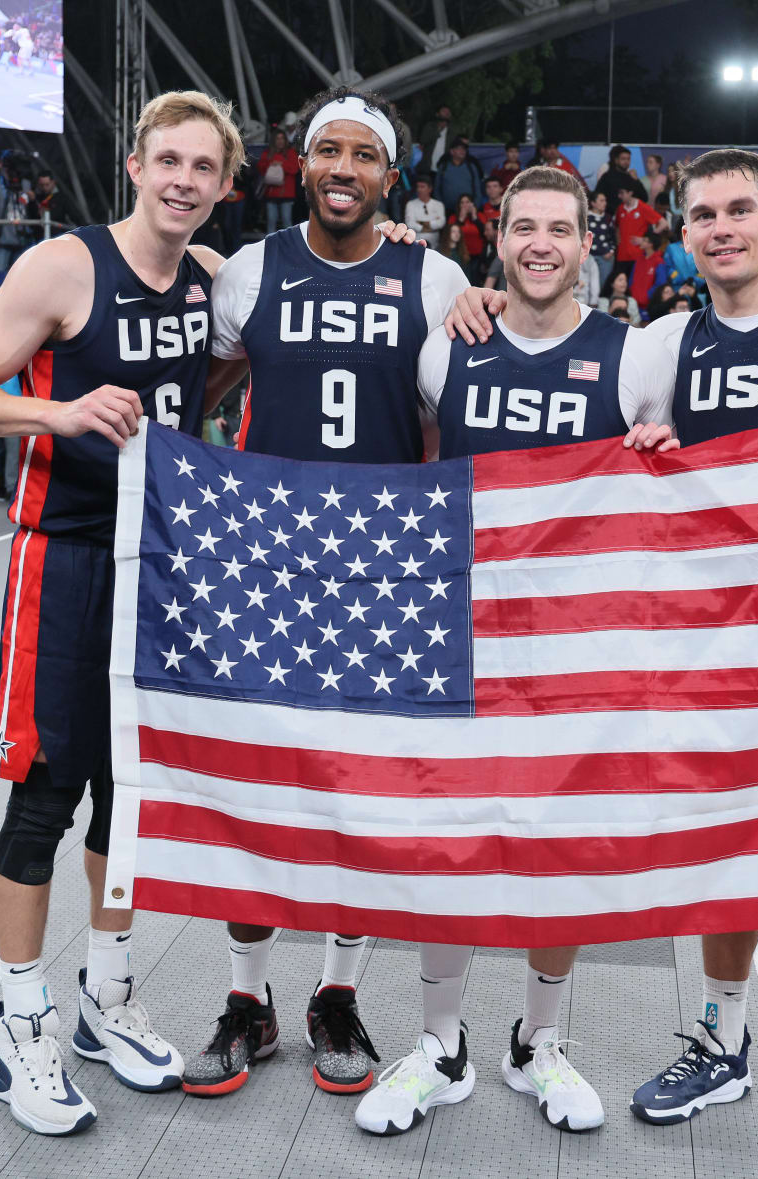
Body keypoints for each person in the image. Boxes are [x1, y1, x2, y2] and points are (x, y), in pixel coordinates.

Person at [440, 148, 758, 1179]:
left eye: (738, 210)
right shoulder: (665, 343)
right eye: (701, 215)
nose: (720, 227)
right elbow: (624, 449)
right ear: (681, 235)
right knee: (732, 846)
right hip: (720, 648)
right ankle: (724, 1042)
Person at [0, 90, 250, 1136]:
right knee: (46, 793)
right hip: (65, 559)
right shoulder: (65, 268)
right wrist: (54, 410)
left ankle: (102, 999)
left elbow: (243, 367)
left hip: (161, 562)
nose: (184, 181)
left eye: (205, 168)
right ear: (135, 164)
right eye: (170, 161)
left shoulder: (210, 281)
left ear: (224, 183)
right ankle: (17, 1022)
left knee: (133, 795)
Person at [354, 165, 678, 1140]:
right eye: (524, 228)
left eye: (560, 230)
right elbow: (401, 468)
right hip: (457, 637)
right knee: (446, 851)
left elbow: (698, 482)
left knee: (559, 856)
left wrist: (663, 459)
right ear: (497, 239)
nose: (541, 244)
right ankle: (440, 1046)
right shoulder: (444, 352)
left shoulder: (635, 360)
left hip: (577, 651)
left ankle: (538, 1042)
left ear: (590, 244)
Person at [202, 85, 470, 1099]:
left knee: (358, 799)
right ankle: (244, 999)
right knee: (255, 791)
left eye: (365, 155)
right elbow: (197, 397)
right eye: (329, 152)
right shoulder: (248, 273)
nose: (345, 168)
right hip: (267, 568)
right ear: (300, 166)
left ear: (391, 178)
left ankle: (337, 993)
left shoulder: (432, 273)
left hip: (381, 577)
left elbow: (457, 419)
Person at [613, 184, 665, 282]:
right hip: (621, 255)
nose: (619, 196)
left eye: (622, 193)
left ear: (630, 193)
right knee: (618, 284)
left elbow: (663, 223)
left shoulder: (643, 207)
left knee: (634, 284)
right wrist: (618, 241)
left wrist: (647, 239)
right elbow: (617, 227)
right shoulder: (620, 208)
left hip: (637, 256)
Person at [434, 137, 484, 211]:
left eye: (464, 149)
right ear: (452, 151)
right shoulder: (443, 167)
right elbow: (436, 189)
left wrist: (475, 206)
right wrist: (440, 206)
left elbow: (477, 189)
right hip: (447, 210)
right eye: (459, 149)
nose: (462, 151)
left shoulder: (471, 167)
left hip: (468, 210)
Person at [587, 190, 617, 292]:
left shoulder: (608, 217)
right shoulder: (585, 217)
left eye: (605, 200)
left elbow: (613, 237)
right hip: (588, 256)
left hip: (606, 257)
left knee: (604, 284)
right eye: (601, 200)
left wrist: (611, 251)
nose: (605, 203)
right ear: (593, 203)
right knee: (588, 284)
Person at [404, 177, 444, 247]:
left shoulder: (439, 205)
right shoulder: (410, 204)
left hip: (435, 245)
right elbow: (409, 224)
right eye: (418, 187)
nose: (419, 189)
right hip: (416, 243)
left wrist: (419, 223)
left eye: (422, 187)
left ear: (430, 189)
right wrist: (431, 225)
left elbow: (441, 223)